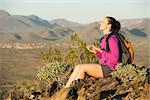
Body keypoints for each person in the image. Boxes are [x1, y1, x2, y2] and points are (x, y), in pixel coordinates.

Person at [64, 16, 121, 88]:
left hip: (110, 68)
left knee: (81, 67)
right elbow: (105, 56)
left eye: (103, 22)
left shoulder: (112, 38)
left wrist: (99, 50)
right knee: (79, 68)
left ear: (109, 25)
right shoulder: (104, 38)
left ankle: (67, 90)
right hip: (104, 65)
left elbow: (115, 58)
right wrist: (95, 52)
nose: (101, 23)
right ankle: (68, 90)